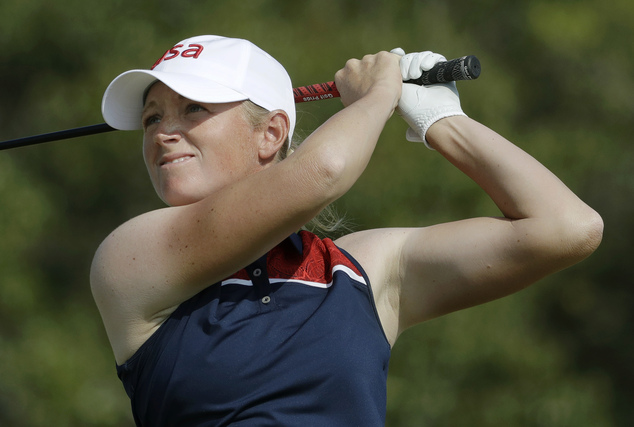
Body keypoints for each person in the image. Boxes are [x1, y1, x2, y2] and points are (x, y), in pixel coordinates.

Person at [91, 35, 603, 426]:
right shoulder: (132, 255)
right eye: (152, 117)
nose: (163, 132)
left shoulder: (357, 271)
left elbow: (566, 227)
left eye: (193, 108)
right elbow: (324, 172)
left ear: (270, 134)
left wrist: (439, 119)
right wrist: (378, 95)